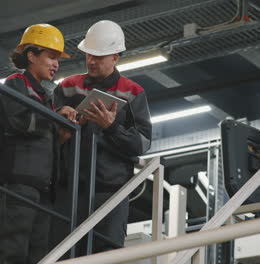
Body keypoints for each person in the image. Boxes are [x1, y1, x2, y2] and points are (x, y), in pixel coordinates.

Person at [52, 20, 152, 256]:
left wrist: (111, 127)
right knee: (61, 253)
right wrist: (60, 119)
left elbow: (143, 143)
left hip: (110, 192)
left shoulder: (133, 93)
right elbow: (47, 135)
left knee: (106, 255)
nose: (91, 61)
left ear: (115, 57)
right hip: (68, 189)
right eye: (88, 55)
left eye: (98, 56)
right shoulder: (66, 88)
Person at [0, 23, 75, 264]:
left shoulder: (45, 98)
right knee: (12, 254)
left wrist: (60, 135)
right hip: (18, 185)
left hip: (41, 190)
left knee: (37, 259)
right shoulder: (17, 83)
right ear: (31, 55)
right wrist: (54, 118)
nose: (56, 64)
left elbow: (39, 133)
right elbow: (18, 122)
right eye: (51, 56)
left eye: (58, 59)